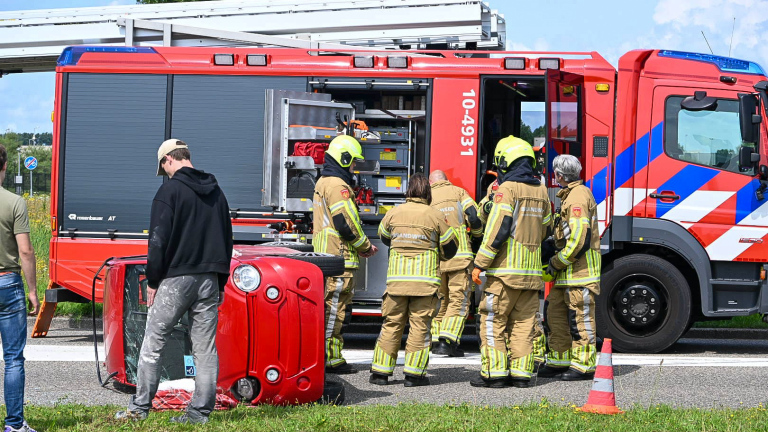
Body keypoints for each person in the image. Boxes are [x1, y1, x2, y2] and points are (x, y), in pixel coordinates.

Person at [116, 139, 233, 424]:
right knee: (205, 348)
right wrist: (220, 282)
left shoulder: (169, 191)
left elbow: (157, 241)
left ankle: (139, 409)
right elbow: (227, 238)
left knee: (153, 341)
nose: (164, 173)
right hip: (208, 279)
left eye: (163, 167)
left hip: (176, 279)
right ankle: (199, 413)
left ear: (169, 159)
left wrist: (153, 280)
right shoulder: (217, 192)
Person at [470, 136, 551, 388]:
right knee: (524, 326)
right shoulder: (541, 190)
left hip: (503, 275)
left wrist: (480, 263)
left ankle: (494, 375)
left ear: (506, 162)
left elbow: (498, 229)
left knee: (493, 322)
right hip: (530, 276)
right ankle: (521, 376)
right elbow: (546, 229)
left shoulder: (507, 190)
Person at [369, 173, 458, 387]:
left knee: (391, 325)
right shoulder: (435, 216)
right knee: (419, 327)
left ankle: (380, 374)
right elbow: (451, 246)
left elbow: (384, 237)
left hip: (396, 284)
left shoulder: (393, 213)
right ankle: (414, 376)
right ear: (427, 192)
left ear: (408, 191)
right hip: (425, 285)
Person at [313, 135, 377, 374]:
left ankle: (323, 355)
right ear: (344, 158)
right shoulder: (339, 188)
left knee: (327, 308)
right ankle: (331, 359)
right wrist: (366, 246)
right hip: (340, 259)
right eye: (352, 163)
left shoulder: (322, 183)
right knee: (335, 311)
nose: (353, 168)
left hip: (325, 257)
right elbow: (345, 223)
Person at [538, 154, 601, 381]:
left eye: (555, 173)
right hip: (567, 274)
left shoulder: (577, 198)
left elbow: (579, 240)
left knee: (580, 321)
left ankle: (584, 366)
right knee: (553, 314)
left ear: (560, 175)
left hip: (580, 274)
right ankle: (558, 361)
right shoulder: (570, 195)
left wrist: (555, 262)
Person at [0, 145, 40, 432]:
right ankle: (14, 424)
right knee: (13, 358)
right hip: (7, 283)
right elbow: (25, 252)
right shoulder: (14, 202)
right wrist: (33, 290)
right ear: (4, 167)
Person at [428, 170, 482, 357]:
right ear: (446, 181)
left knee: (441, 301)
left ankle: (436, 341)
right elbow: (474, 217)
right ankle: (448, 341)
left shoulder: (427, 197)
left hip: (437, 259)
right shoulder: (458, 192)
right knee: (458, 300)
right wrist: (477, 235)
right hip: (460, 257)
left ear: (431, 182)